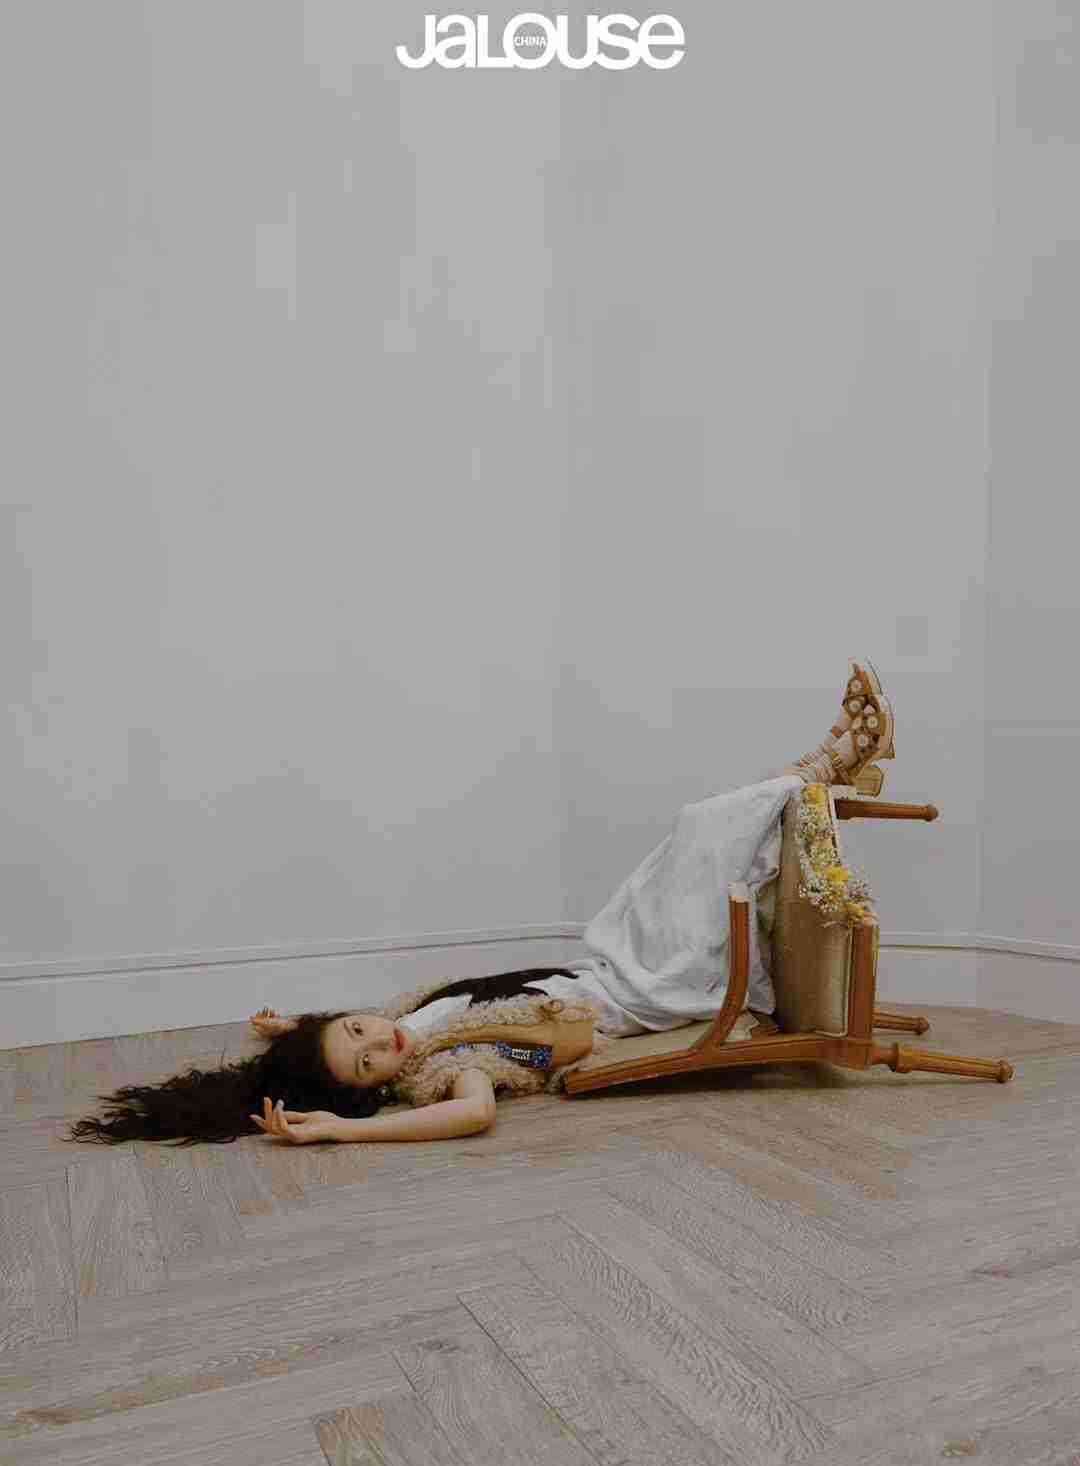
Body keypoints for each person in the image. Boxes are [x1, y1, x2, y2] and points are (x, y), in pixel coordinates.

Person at [66, 659, 893, 1149]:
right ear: (376, 1089)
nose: (378, 1042)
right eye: (367, 1063)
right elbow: (472, 1117)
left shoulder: (408, 1021)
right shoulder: (435, 1073)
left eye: (356, 1031)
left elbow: (360, 1027)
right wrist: (348, 1130)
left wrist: (287, 1032)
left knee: (685, 841)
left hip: (606, 966)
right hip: (648, 995)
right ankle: (831, 760)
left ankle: (830, 766)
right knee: (702, 840)